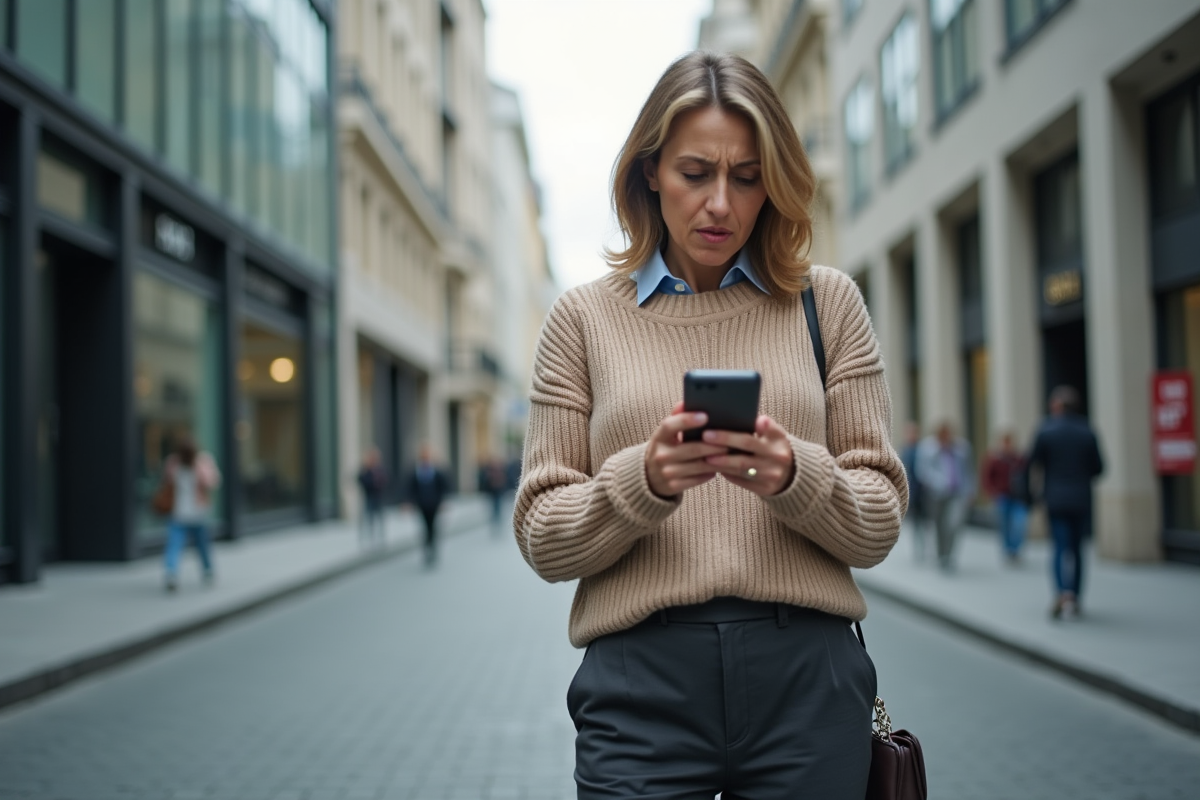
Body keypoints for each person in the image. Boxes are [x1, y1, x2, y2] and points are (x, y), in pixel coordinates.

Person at [513, 51, 907, 800]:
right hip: (640, 684)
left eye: (748, 176)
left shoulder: (828, 304)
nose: (721, 203)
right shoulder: (582, 320)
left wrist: (796, 476)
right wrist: (643, 481)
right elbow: (540, 532)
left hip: (808, 680)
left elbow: (879, 521)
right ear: (650, 173)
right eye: (696, 173)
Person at [1027, 385, 1104, 619]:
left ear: (1057, 406)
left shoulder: (1047, 430)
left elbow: (1032, 462)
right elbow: (1099, 467)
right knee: (1078, 549)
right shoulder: (1086, 430)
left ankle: (1062, 593)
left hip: (1056, 498)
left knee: (1060, 547)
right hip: (1081, 498)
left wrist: (1030, 493)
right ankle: (1076, 596)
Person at [161, 435, 222, 592]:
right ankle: (172, 574)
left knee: (202, 546)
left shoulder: (203, 461)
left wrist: (199, 468)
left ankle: (207, 571)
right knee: (175, 545)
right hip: (179, 514)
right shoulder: (173, 463)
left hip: (197, 513)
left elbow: (213, 482)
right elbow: (166, 482)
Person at [914, 421, 975, 571]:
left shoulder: (962, 448)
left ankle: (949, 555)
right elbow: (922, 471)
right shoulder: (928, 448)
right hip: (937, 494)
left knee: (953, 524)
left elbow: (969, 471)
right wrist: (937, 482)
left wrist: (971, 491)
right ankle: (942, 555)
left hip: (957, 493)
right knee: (940, 525)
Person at [981, 431, 1029, 564]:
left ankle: (1015, 549)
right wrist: (992, 492)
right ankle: (1008, 549)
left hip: (1018, 496)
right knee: (1005, 524)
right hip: (1002, 496)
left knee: (1019, 524)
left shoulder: (1019, 459)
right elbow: (987, 478)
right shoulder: (994, 459)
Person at [407, 444, 451, 566]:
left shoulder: (436, 471)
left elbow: (443, 487)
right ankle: (426, 548)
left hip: (434, 504)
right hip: (421, 505)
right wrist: (409, 502)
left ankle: (433, 548)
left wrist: (443, 502)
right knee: (425, 527)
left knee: (433, 527)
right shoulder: (416, 472)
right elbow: (411, 488)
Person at [899, 420, 928, 561]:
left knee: (924, 521)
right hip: (911, 492)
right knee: (914, 521)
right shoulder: (905, 450)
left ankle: (923, 547)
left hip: (923, 492)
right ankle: (917, 549)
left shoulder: (923, 449)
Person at [357, 446, 388, 546]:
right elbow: (361, 480)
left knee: (379, 517)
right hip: (369, 496)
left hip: (378, 496)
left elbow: (386, 479)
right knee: (368, 517)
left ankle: (380, 537)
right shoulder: (365, 469)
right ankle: (369, 537)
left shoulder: (380, 469)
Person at [479, 455, 510, 535]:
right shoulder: (488, 471)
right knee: (494, 507)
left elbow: (506, 480)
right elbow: (484, 481)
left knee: (498, 506)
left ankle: (497, 519)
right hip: (492, 492)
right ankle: (495, 519)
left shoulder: (501, 470)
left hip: (498, 491)